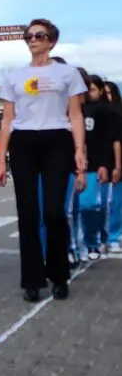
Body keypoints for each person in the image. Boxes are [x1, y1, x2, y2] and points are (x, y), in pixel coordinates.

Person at [0, 18, 86, 303]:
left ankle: (59, 276)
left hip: (57, 139)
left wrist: (79, 149)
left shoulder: (67, 73)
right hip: (23, 142)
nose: (33, 39)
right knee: (28, 213)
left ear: (51, 41)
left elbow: (75, 115)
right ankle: (32, 280)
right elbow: (7, 119)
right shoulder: (14, 77)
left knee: (54, 212)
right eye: (29, 35)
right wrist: (0, 159)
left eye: (39, 35)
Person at [80, 74, 120, 261]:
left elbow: (112, 140)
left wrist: (112, 165)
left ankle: (100, 238)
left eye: (92, 89)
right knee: (77, 207)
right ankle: (84, 243)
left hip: (98, 166)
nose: (88, 93)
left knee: (97, 205)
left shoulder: (107, 111)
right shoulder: (78, 109)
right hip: (78, 165)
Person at [104, 80, 122, 254]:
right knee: (100, 204)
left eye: (109, 93)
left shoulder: (118, 114)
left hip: (117, 163)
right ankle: (102, 236)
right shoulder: (96, 112)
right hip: (99, 163)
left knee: (116, 203)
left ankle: (114, 236)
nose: (106, 96)